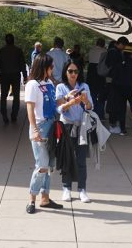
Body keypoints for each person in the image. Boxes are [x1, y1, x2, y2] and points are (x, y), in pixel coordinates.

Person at [24, 55, 63, 214]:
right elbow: (30, 109)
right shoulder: (32, 84)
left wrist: (69, 98)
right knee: (42, 165)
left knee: (50, 165)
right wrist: (34, 129)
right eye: (51, 66)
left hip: (52, 124)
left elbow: (55, 103)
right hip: (40, 126)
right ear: (43, 66)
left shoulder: (49, 83)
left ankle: (45, 198)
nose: (52, 69)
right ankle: (32, 199)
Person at [55, 60, 93, 202]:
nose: (73, 74)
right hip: (67, 126)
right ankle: (66, 188)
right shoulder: (60, 87)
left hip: (81, 126)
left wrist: (85, 101)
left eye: (76, 71)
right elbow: (59, 109)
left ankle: (82, 189)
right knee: (67, 159)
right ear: (65, 72)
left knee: (81, 159)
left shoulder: (84, 86)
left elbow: (90, 107)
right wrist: (70, 101)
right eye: (70, 71)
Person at [106, 37, 132, 136]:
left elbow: (114, 76)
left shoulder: (119, 64)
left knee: (122, 109)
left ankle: (122, 129)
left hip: (120, 89)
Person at [0, 33, 28, 124]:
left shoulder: (2, 51)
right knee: (16, 96)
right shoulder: (18, 50)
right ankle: (14, 115)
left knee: (3, 96)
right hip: (15, 75)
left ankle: (4, 115)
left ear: (6, 40)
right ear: (13, 40)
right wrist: (25, 76)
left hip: (5, 75)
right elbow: (22, 64)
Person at [86, 38, 107, 117]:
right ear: (103, 44)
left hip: (91, 71)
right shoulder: (104, 51)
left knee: (92, 92)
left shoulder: (91, 50)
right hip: (100, 71)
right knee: (101, 93)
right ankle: (100, 113)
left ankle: (92, 111)